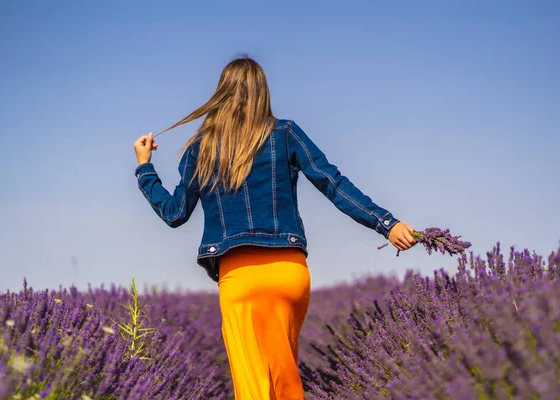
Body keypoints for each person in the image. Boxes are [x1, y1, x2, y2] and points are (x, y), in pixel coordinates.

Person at [133, 55, 416, 400]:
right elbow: (333, 184)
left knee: (253, 387)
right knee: (284, 380)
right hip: (289, 274)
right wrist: (387, 224)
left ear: (221, 93)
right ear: (262, 93)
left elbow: (175, 213)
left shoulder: (200, 148)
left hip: (240, 280)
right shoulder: (285, 133)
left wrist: (145, 168)